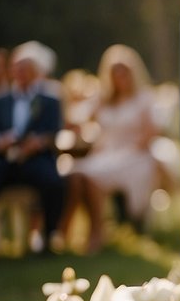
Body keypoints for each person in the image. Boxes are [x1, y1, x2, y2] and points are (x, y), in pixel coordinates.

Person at [59, 45, 159, 253]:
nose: (120, 76)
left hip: (134, 154)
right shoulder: (103, 99)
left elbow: (151, 133)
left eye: (124, 71)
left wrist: (128, 150)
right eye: (116, 72)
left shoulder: (143, 98)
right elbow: (75, 116)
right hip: (105, 154)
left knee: (90, 175)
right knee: (77, 174)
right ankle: (73, 230)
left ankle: (94, 232)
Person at [0, 43, 65, 254]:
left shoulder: (49, 100)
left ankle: (49, 235)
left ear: (35, 72)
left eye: (26, 68)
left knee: (54, 184)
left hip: (36, 159)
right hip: (6, 159)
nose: (21, 73)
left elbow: (54, 131)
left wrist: (39, 143)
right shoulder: (1, 100)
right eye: (17, 68)